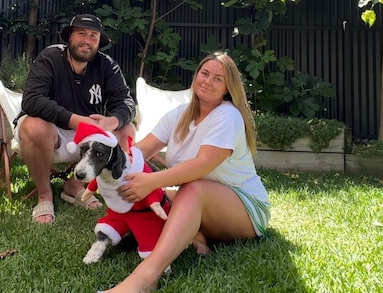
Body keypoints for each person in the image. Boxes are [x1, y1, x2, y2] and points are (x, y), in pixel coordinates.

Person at [105, 52, 271, 292]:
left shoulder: (228, 116)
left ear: (227, 88)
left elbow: (202, 165)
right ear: (195, 76)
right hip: (202, 201)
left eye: (218, 79)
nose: (208, 81)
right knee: (144, 195)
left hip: (245, 207)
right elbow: (142, 150)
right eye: (205, 73)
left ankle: (145, 278)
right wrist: (111, 163)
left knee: (188, 188)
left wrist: (151, 181)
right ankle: (195, 232)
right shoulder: (179, 114)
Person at [17, 14, 136, 224]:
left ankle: (75, 186)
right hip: (50, 131)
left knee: (127, 130)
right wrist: (77, 120)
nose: (86, 40)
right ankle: (45, 196)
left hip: (87, 136)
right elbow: (32, 100)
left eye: (93, 36)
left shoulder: (107, 65)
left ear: (99, 42)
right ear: (70, 36)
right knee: (34, 126)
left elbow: (126, 103)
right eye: (81, 33)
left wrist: (111, 122)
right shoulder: (50, 58)